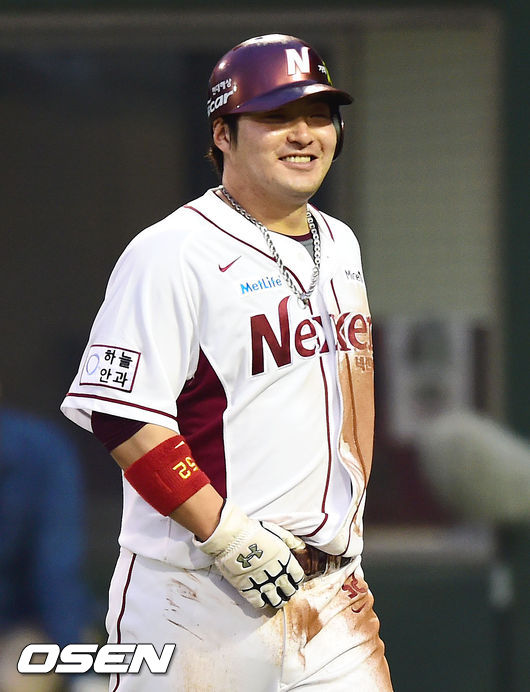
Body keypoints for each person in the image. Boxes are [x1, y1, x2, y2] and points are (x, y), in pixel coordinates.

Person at [61, 34, 393, 691]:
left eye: (320, 115)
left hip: (334, 595)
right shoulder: (171, 252)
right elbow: (122, 417)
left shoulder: (341, 243)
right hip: (197, 596)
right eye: (276, 116)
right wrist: (226, 533)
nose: (303, 134)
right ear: (223, 133)